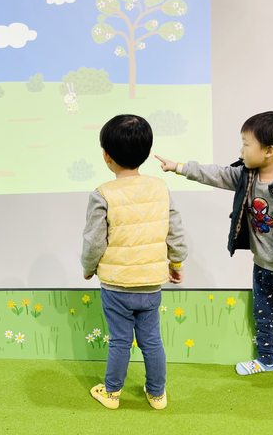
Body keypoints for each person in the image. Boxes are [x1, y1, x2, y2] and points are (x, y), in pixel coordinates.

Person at [156, 110, 273, 396]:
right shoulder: (247, 175)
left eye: (246, 144)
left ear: (269, 151)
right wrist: (180, 167)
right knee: (263, 315)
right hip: (262, 265)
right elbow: (216, 174)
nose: (241, 150)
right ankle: (265, 360)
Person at [81, 114, 188, 410]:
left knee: (119, 341)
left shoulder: (102, 193)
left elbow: (93, 241)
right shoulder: (160, 188)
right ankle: (157, 394)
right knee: (152, 340)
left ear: (106, 155)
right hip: (151, 284)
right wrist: (176, 264)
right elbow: (175, 232)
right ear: (147, 151)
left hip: (116, 286)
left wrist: (88, 268)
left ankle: (112, 393)